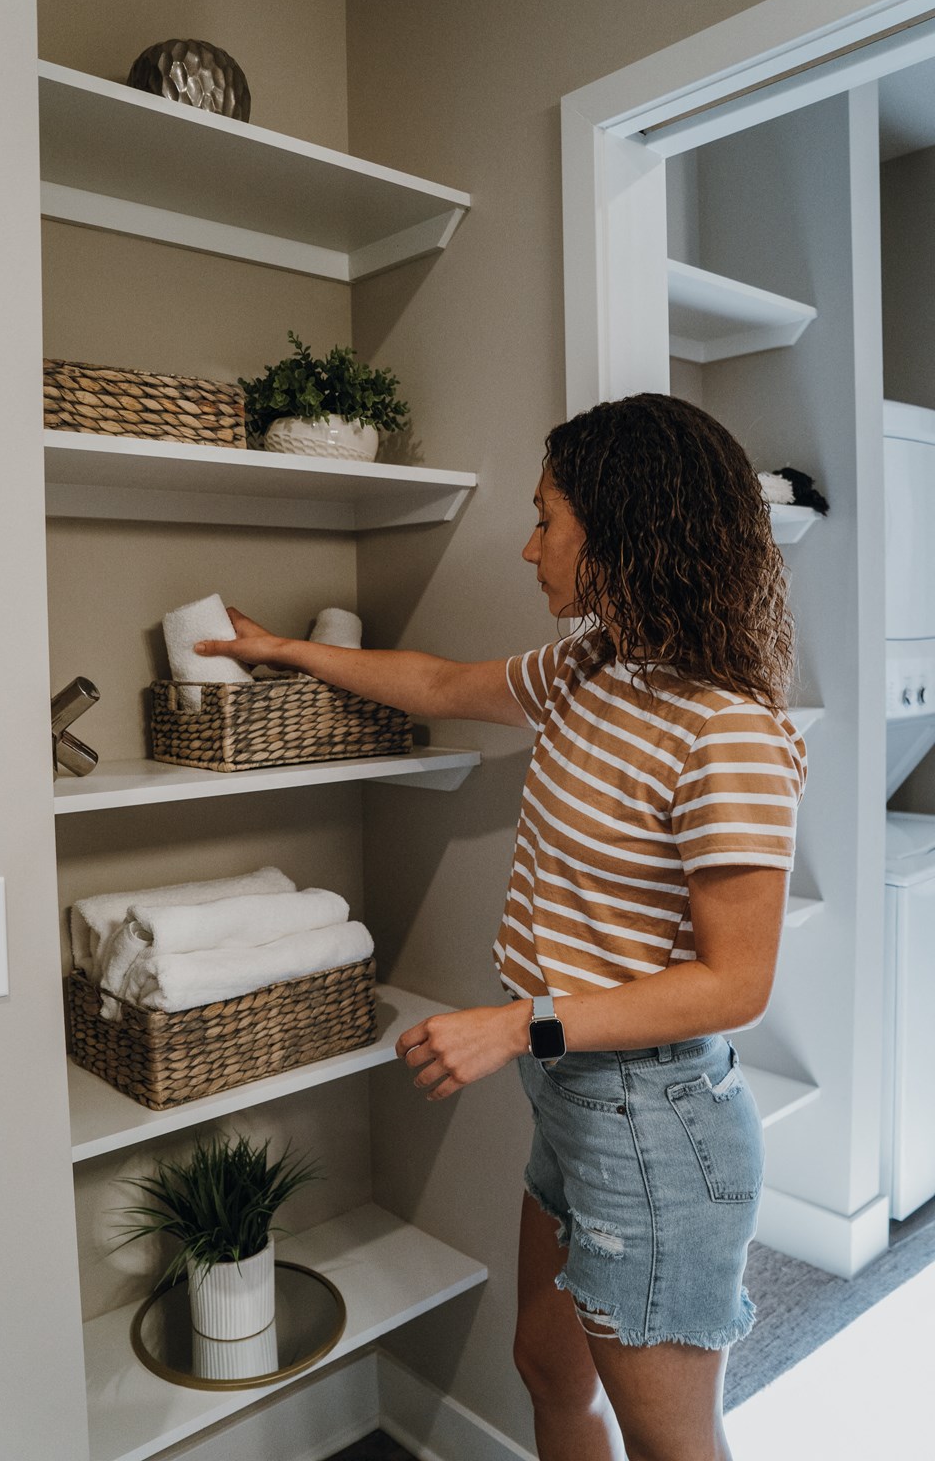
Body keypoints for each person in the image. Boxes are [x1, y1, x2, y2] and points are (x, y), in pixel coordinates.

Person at [195, 392, 807, 1461]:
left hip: (653, 1130)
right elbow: (434, 681)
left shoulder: (728, 731)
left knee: (674, 1443)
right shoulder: (592, 670)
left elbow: (733, 984)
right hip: (575, 1102)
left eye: (546, 519)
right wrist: (286, 649)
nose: (529, 548)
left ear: (623, 530)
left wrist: (517, 1024)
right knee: (546, 1368)